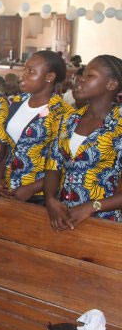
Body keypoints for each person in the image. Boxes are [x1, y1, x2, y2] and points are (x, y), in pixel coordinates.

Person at [44, 55, 122, 229]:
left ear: (111, 84)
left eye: (90, 76)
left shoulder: (119, 125)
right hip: (63, 216)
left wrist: (92, 206)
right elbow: (53, 166)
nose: (80, 79)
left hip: (103, 221)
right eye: (82, 74)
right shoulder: (67, 120)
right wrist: (50, 199)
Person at [0, 51, 72, 204]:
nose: (23, 76)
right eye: (24, 69)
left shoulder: (62, 113)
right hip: (7, 187)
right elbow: (9, 146)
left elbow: (64, 163)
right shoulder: (17, 102)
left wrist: (31, 189)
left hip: (38, 195)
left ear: (49, 77)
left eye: (31, 71)